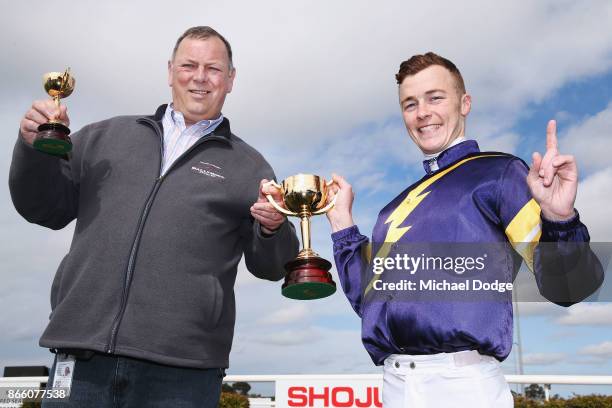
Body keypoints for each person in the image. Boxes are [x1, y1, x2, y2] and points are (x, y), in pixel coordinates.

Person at [10, 26, 299, 408]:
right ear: (169, 71)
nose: (199, 77)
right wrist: (33, 149)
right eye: (188, 65)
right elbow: (43, 209)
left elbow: (273, 266)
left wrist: (273, 227)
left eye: (213, 68)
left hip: (183, 373)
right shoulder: (102, 137)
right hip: (80, 357)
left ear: (230, 80)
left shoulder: (249, 167)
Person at [325, 53, 604, 407]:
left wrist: (559, 218)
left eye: (435, 97)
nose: (422, 112)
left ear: (465, 103)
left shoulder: (499, 173)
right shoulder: (391, 209)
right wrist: (341, 224)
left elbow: (569, 288)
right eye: (410, 104)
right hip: (394, 384)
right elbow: (368, 302)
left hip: (463, 385)